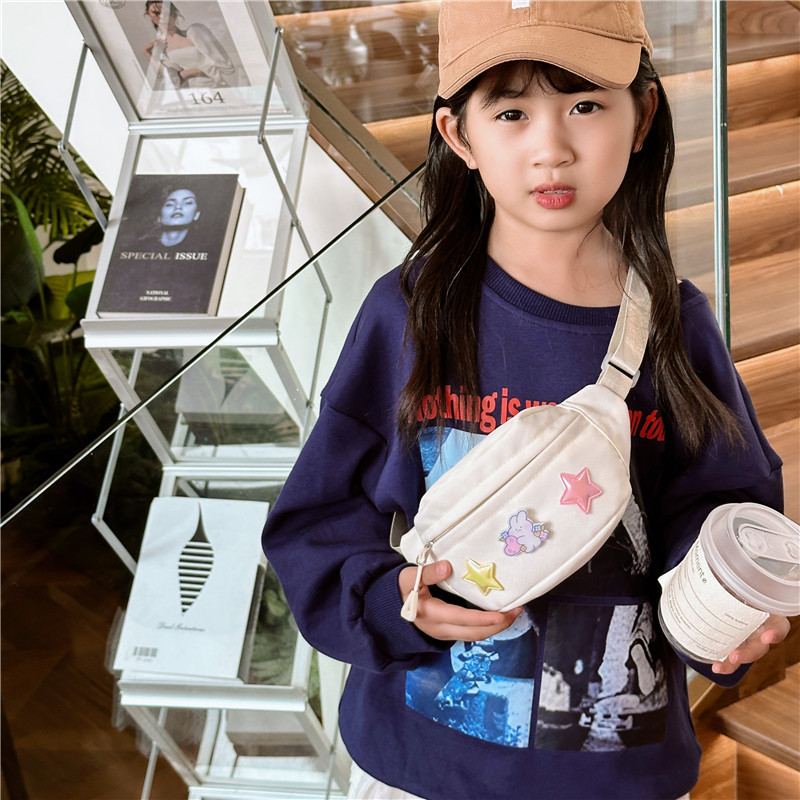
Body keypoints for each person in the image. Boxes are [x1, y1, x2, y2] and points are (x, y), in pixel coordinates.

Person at [261, 2, 789, 798]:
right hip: (418, 769)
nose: (552, 148)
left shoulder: (677, 329)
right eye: (511, 113)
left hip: (619, 776)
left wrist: (724, 605)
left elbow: (718, 510)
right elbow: (317, 520)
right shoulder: (408, 315)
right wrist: (387, 597)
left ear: (642, 116)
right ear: (459, 136)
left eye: (586, 105)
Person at [143, 0, 234, 90]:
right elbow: (172, 81)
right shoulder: (164, 49)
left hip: (218, 88)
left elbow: (225, 65)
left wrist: (188, 73)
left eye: (167, 13)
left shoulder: (194, 31)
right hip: (194, 94)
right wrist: (147, 53)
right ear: (148, 14)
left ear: (174, 13)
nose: (163, 17)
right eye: (156, 13)